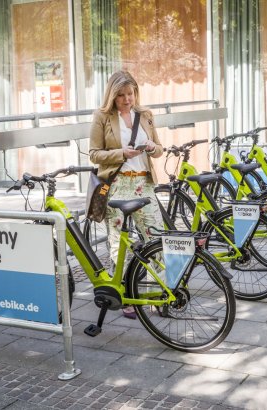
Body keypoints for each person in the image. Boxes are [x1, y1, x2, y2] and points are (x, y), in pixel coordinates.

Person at [88, 70, 164, 319]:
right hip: (118, 185)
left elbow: (160, 150)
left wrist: (152, 148)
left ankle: (157, 293)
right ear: (112, 95)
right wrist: (121, 153)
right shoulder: (102, 117)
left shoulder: (145, 115)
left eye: (130, 93)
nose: (126, 99)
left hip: (144, 184)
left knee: (156, 238)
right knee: (121, 244)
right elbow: (94, 154)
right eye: (120, 95)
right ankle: (125, 295)